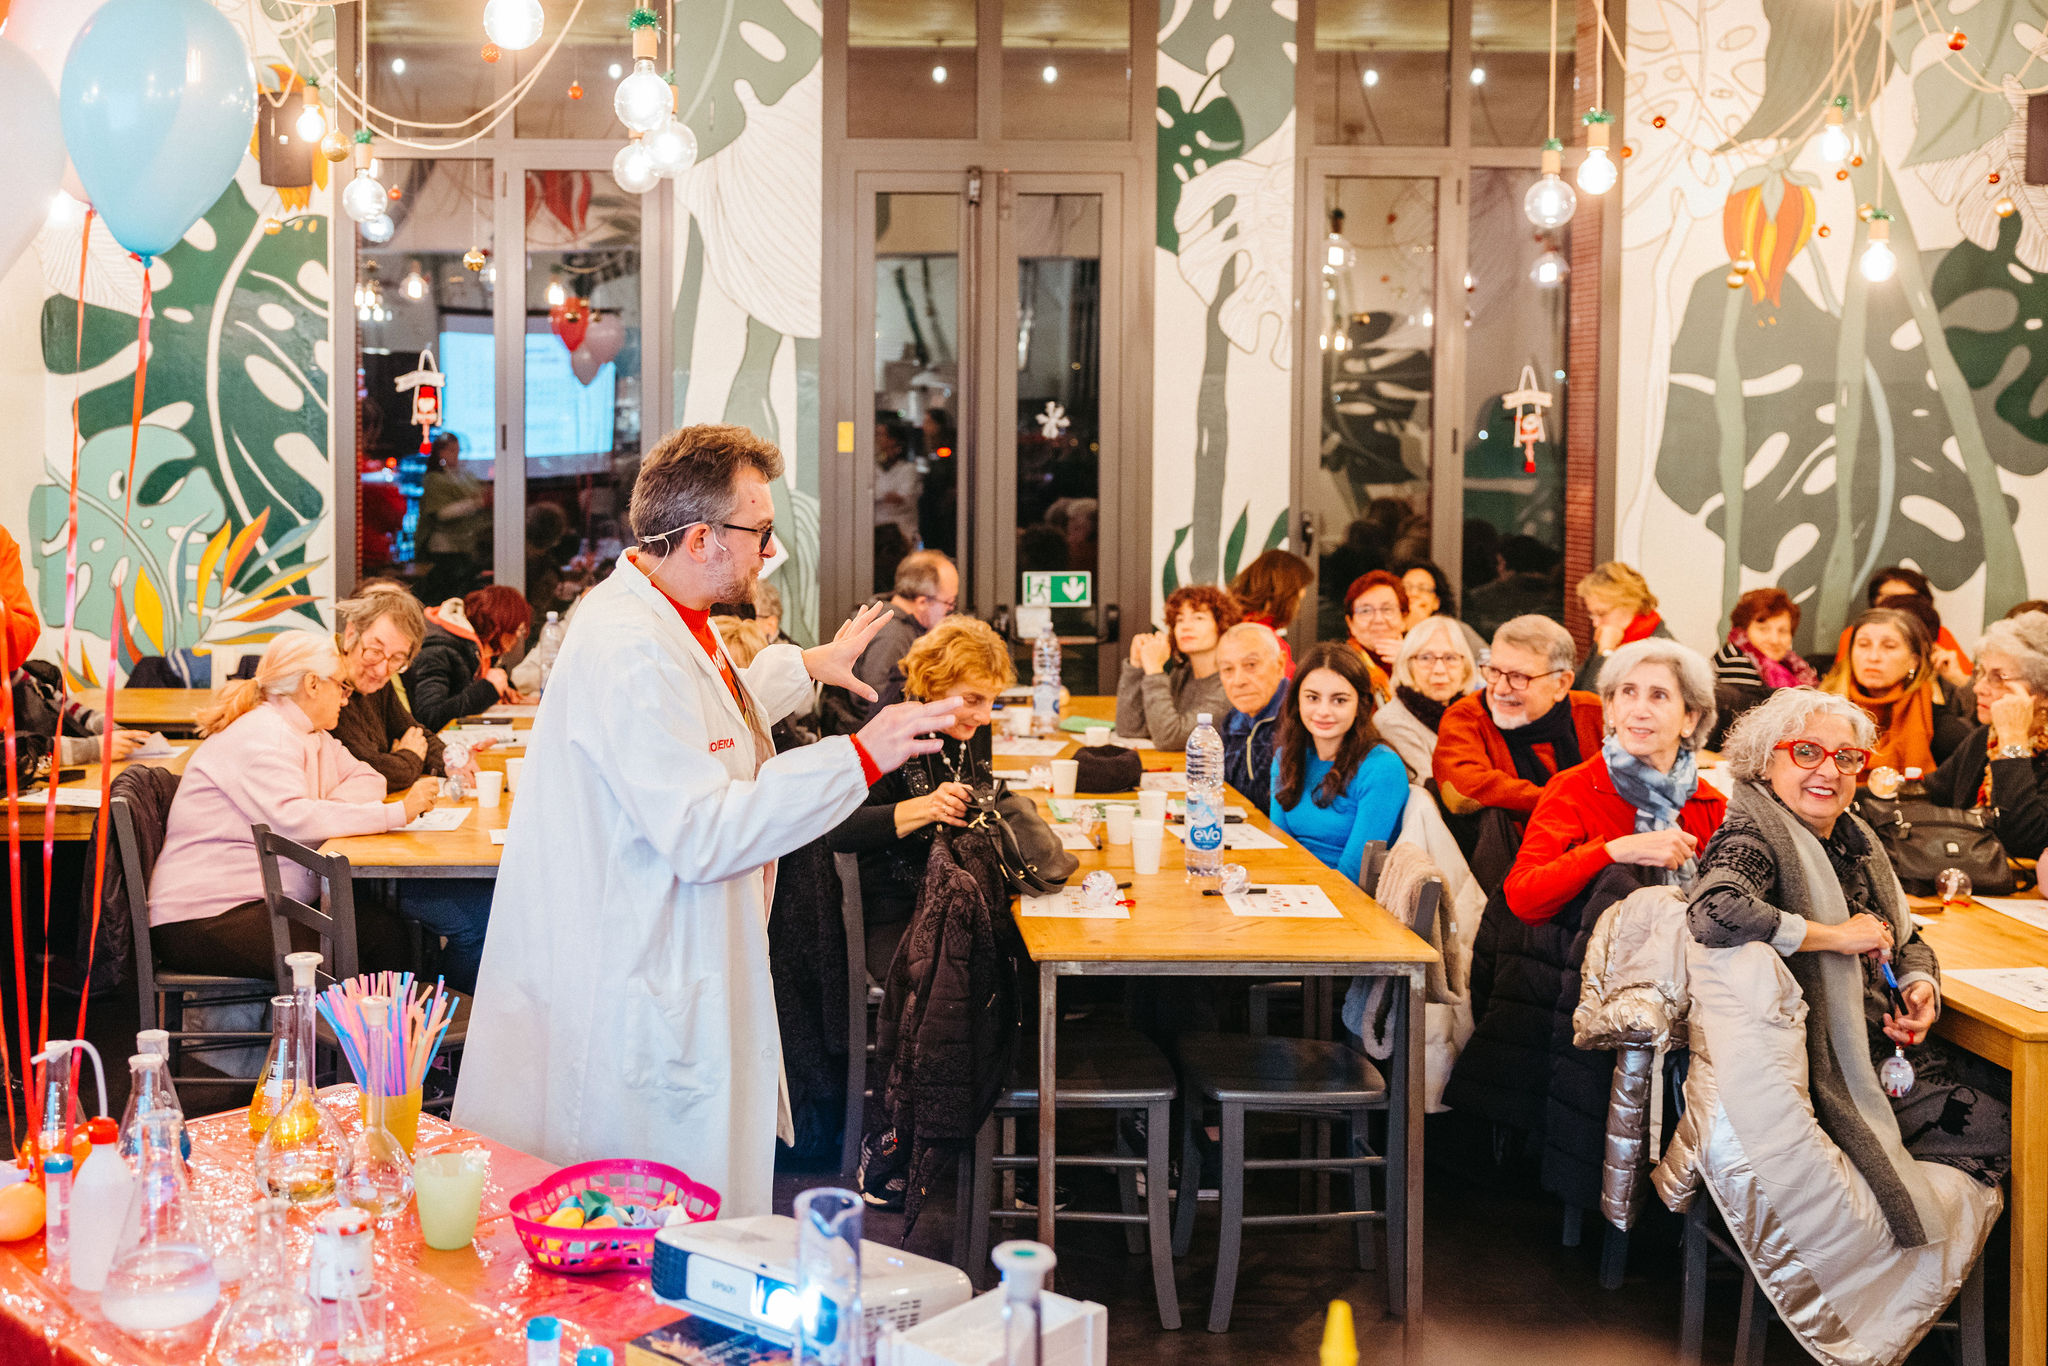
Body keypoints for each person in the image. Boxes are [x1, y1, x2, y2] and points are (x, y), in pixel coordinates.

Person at [452, 423, 961, 1220]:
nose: (769, 552)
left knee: (680, 1209)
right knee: (649, 1225)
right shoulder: (630, 647)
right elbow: (704, 830)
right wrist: (861, 757)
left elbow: (708, 715)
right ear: (700, 538)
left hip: (666, 948)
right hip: (641, 968)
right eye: (760, 532)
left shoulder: (664, 612)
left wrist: (804, 667)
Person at [1689, 688, 2009, 1187]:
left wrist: (1920, 986)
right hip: (1837, 1077)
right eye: (1807, 752)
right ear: (1765, 761)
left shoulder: (1852, 838)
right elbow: (1712, 912)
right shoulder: (1754, 837)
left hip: (1890, 1051)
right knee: (2025, 1123)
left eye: (1846, 757)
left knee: (2022, 1087)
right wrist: (1834, 937)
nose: (1829, 770)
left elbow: (1903, 936)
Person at [148, 634, 438, 978]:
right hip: (205, 915)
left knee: (388, 934)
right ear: (312, 684)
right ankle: (354, 1017)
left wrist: (321, 811)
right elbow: (293, 821)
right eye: (341, 686)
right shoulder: (265, 736)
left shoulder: (311, 733)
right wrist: (394, 813)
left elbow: (370, 778)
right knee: (347, 964)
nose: (345, 699)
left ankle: (391, 1016)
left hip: (263, 900)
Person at [827, 617, 1013, 990]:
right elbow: (839, 828)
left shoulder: (969, 725)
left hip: (958, 897)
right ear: (934, 683)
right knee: (986, 977)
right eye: (974, 699)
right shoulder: (893, 727)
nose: (985, 715)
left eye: (993, 700)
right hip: (899, 908)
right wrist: (928, 807)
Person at [1504, 640, 1726, 924]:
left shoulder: (1712, 804)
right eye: (1628, 692)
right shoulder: (1574, 789)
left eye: (1658, 695)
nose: (1639, 710)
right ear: (1610, 709)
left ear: (1690, 719)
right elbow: (1522, 898)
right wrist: (1614, 851)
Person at [1433, 614, 1605, 820]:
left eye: (1518, 677)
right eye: (1494, 671)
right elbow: (1461, 790)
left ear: (1561, 684)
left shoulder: (1595, 713)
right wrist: (1571, 803)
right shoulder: (1466, 718)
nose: (1500, 689)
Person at [1267, 643, 1408, 885]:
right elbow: (1279, 849)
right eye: (1312, 698)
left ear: (1361, 705)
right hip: (1289, 889)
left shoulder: (1382, 767)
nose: (1323, 711)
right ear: (1297, 700)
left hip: (1345, 897)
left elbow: (1353, 875)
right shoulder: (1286, 757)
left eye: (1339, 700)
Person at [1928, 611, 2048, 861]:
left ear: (2044, 693)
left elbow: (2024, 840)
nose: (1978, 688)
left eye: (1998, 678)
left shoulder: (2005, 736)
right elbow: (1932, 793)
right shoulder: (1986, 737)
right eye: (1980, 674)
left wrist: (2013, 741)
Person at [330, 586, 461, 793]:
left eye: (397, 659)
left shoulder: (376, 678)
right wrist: (410, 758)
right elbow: (369, 772)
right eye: (375, 651)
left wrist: (453, 763)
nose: (382, 670)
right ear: (351, 634)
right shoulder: (328, 685)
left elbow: (413, 732)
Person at [822, 549, 959, 735]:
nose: (949, 612)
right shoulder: (893, 636)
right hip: (865, 739)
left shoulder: (888, 619)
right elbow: (880, 705)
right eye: (949, 604)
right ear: (922, 602)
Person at [1820, 607, 1971, 774]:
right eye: (1863, 645)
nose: (1873, 657)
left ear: (1914, 661)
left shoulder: (1942, 728)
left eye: (1889, 647)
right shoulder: (1822, 713)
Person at [1114, 585, 1240, 751]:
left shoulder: (1231, 684)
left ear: (1222, 626)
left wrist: (1154, 669)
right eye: (1179, 620)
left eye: (1198, 618)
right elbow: (1130, 728)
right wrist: (1136, 666)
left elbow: (1169, 738)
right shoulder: (1182, 673)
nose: (1185, 626)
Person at [404, 585, 531, 733]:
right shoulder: (438, 650)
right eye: (516, 629)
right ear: (497, 627)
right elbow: (430, 716)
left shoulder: (475, 648)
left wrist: (504, 688)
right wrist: (489, 689)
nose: (517, 637)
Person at [1373, 615, 1481, 779]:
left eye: (1450, 658)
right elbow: (1433, 787)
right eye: (1425, 658)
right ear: (1408, 665)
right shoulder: (1391, 722)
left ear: (1465, 666)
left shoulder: (1473, 714)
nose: (1439, 669)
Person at [1710, 587, 1819, 745]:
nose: (1774, 639)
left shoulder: (1789, 665)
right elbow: (1746, 728)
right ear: (1744, 629)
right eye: (1763, 629)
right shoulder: (1736, 659)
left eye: (1783, 631)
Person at [1842, 566, 1974, 686]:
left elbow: (1964, 678)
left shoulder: (1938, 634)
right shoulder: (1856, 633)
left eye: (1908, 598)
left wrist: (1956, 678)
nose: (1899, 603)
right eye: (1888, 597)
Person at [1216, 623, 1289, 812]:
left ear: (1280, 664)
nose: (1238, 681)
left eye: (1251, 665)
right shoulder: (1233, 720)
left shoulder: (1301, 718)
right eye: (1228, 669)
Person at [1573, 561, 1670, 691]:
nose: (1595, 623)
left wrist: (1606, 653)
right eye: (1592, 614)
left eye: (1602, 614)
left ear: (1630, 605)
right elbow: (1578, 688)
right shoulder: (1611, 634)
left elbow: (1595, 700)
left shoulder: (1661, 651)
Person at [1228, 549, 1314, 669]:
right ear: (1284, 595)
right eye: (1297, 599)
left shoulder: (1232, 623)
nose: (1298, 607)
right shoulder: (1262, 639)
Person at [1396, 559, 1488, 657]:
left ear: (1436, 602)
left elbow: (1487, 659)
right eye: (1406, 587)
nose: (1413, 594)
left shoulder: (1455, 630)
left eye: (1423, 588)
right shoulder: (1389, 626)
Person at [1341, 571, 1405, 699]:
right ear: (1350, 623)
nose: (1378, 619)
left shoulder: (1426, 663)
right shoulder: (1339, 666)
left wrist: (1408, 664)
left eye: (1387, 609)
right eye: (1365, 611)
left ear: (1404, 618)